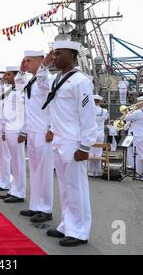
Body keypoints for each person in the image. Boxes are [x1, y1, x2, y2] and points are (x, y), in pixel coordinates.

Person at [43, 40, 97, 247]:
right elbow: (39, 81)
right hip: (58, 139)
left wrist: (85, 145)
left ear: (73, 55)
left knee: (77, 187)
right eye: (54, 54)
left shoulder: (80, 81)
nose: (55, 57)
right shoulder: (57, 79)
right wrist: (44, 64)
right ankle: (67, 225)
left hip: (74, 141)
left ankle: (80, 231)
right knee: (64, 187)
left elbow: (88, 115)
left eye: (59, 54)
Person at [15, 50, 54, 223]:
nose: (26, 63)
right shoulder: (31, 81)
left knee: (44, 173)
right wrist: (21, 71)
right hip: (32, 131)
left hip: (43, 132)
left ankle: (46, 209)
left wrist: (52, 128)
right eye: (25, 61)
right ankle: (35, 205)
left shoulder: (48, 80)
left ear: (40, 61)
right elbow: (17, 87)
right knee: (35, 172)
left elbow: (54, 105)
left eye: (29, 61)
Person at [0, 66, 26, 204]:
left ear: (15, 76)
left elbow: (25, 112)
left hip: (17, 130)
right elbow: (6, 112)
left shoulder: (21, 91)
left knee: (18, 163)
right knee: (13, 163)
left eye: (8, 74)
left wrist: (23, 131)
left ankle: (19, 192)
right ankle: (13, 189)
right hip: (9, 129)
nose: (5, 77)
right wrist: (4, 130)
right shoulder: (10, 91)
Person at [124, 97, 143, 180]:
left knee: (139, 156)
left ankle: (140, 175)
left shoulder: (137, 112)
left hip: (139, 135)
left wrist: (132, 110)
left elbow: (126, 118)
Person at [88, 95, 109, 178]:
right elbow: (106, 118)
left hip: (91, 132)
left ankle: (90, 172)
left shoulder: (89, 110)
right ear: (99, 101)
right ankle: (97, 172)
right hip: (100, 133)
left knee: (91, 151)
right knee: (98, 152)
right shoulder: (104, 111)